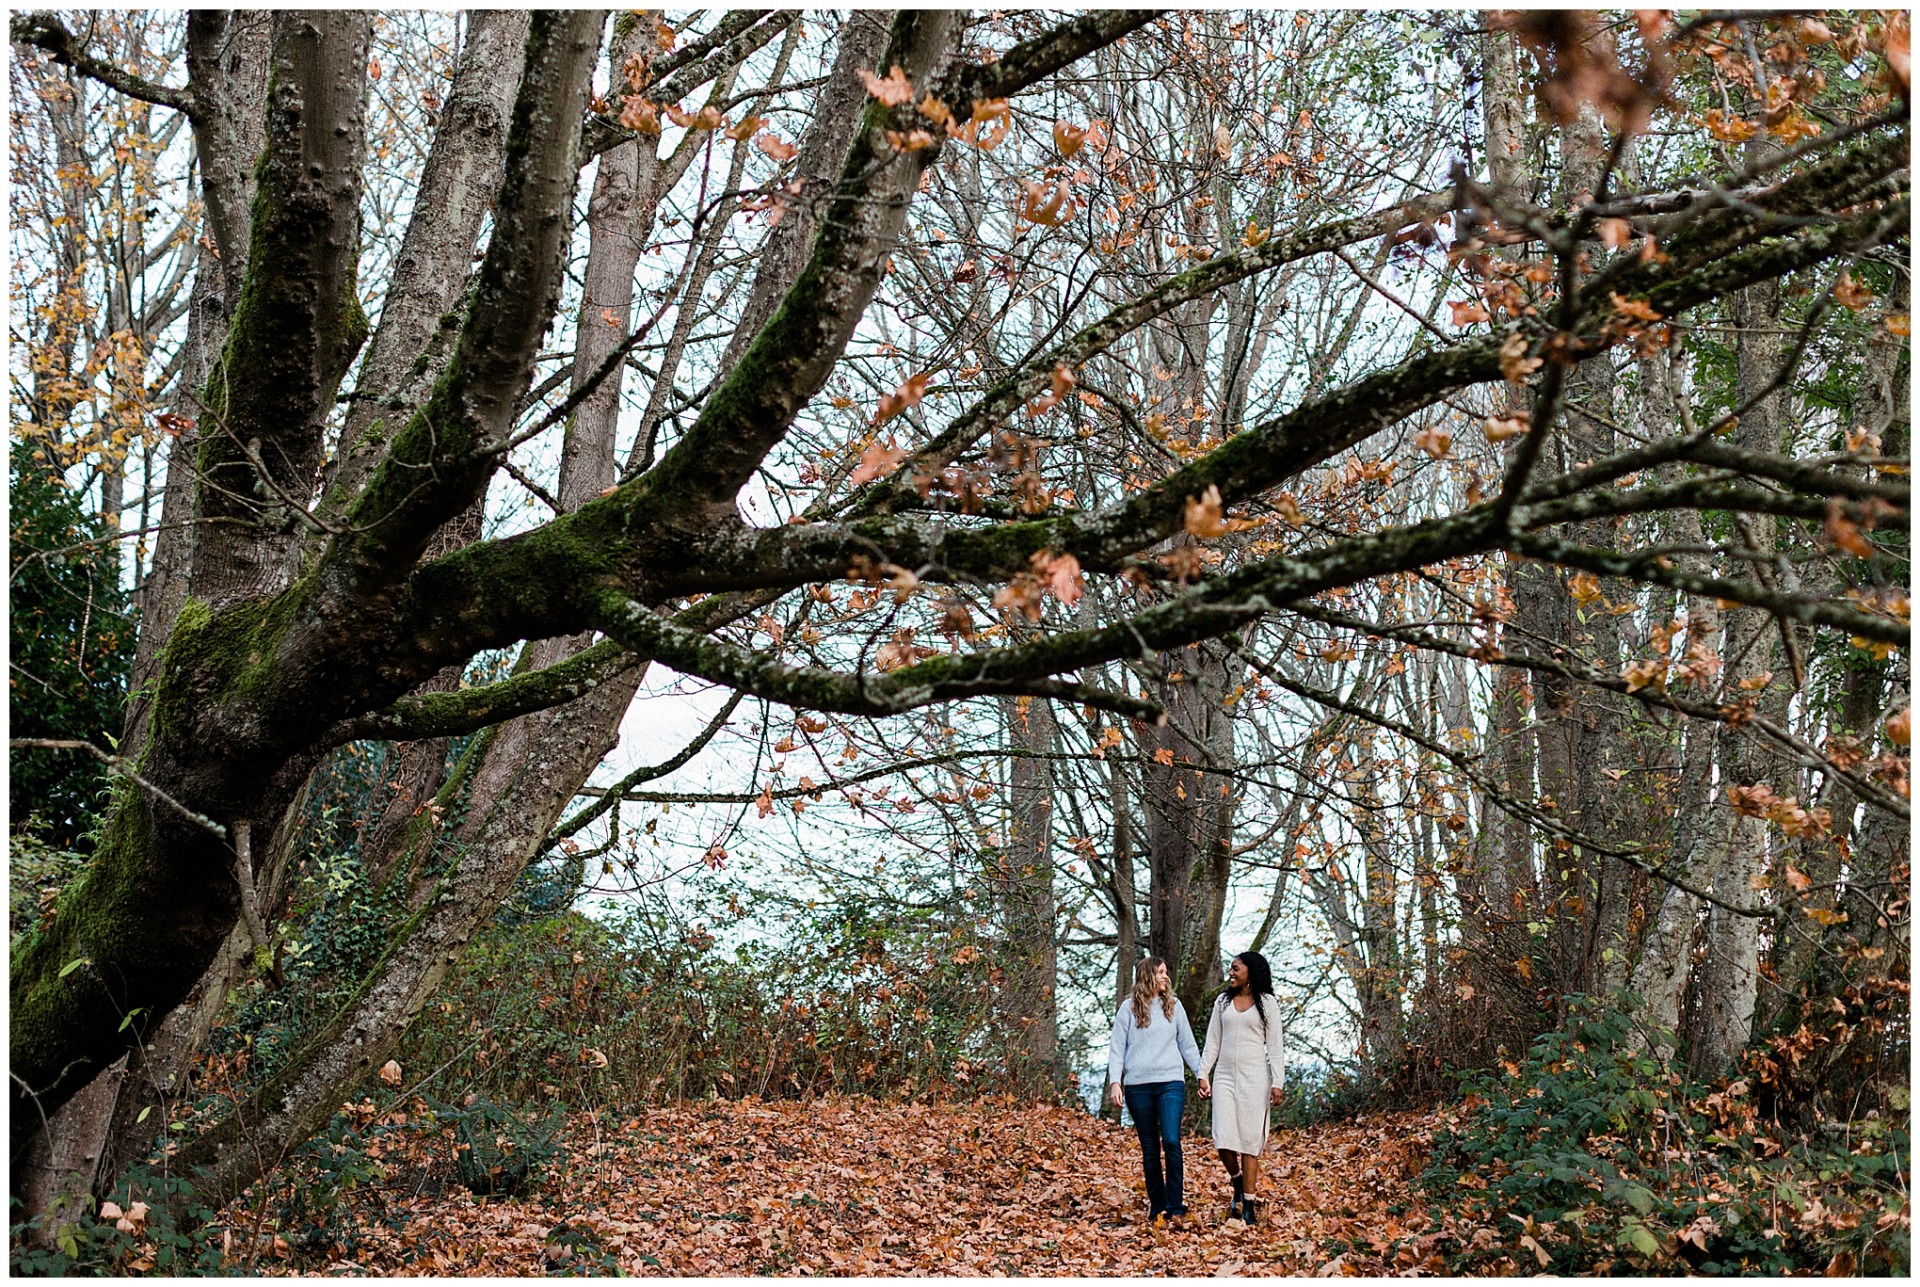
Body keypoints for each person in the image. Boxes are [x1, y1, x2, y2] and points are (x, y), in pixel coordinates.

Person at [1105, 955, 1201, 1222]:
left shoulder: (1174, 1006)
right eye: (1160, 972)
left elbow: (1188, 1044)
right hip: (1139, 1087)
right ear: (1148, 975)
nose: (1165, 977)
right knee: (1149, 1149)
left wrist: (1202, 1075)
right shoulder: (1128, 1008)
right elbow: (1117, 1049)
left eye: (1166, 971)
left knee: (1171, 1141)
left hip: (1171, 1082)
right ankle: (1157, 1205)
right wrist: (1116, 1082)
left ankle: (1175, 1204)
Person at [1196, 950, 1286, 1224]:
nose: (1231, 973)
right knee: (1223, 1139)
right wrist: (1203, 1074)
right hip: (1224, 1076)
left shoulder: (1267, 1003)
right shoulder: (1223, 1002)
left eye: (1236, 969)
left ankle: (1248, 1204)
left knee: (1249, 1141)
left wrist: (1277, 1082)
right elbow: (1213, 1041)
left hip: (1255, 1078)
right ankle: (1237, 1182)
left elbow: (1275, 1045)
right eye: (1231, 968)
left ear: (1251, 971)